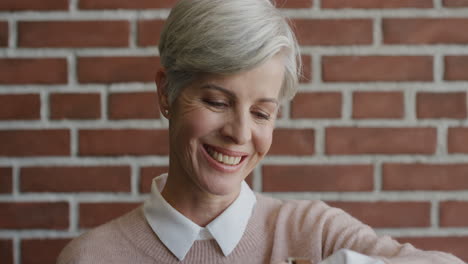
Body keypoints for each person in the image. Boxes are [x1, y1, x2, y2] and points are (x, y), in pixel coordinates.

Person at [57, 0, 465, 263]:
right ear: (167, 91)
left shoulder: (313, 233)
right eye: (217, 102)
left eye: (261, 113)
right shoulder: (92, 257)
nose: (239, 133)